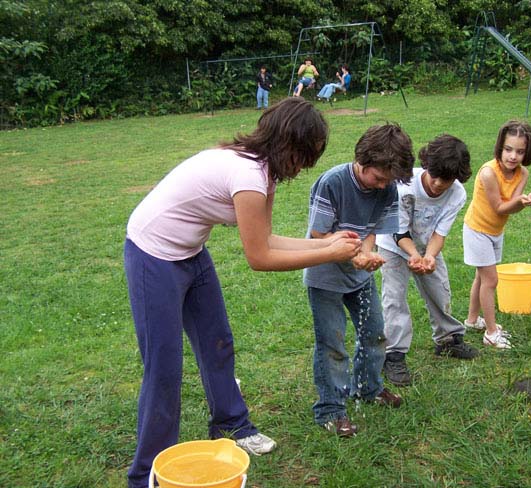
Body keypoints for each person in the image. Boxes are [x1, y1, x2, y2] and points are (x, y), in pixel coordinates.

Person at [124, 97, 362, 488]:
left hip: (190, 252)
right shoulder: (249, 175)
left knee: (217, 343)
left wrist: (329, 244)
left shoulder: (262, 171)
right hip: (153, 254)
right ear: (290, 145)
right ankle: (145, 474)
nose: (305, 168)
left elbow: (267, 238)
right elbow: (260, 257)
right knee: (164, 368)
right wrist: (328, 252)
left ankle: (232, 424)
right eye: (306, 155)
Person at [303, 124, 415, 437]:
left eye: (388, 181)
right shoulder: (333, 182)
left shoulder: (387, 188)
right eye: (378, 178)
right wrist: (356, 257)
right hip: (325, 276)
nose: (383, 186)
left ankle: (367, 388)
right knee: (332, 344)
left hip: (359, 277)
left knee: (375, 334)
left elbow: (372, 231)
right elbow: (319, 235)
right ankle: (330, 409)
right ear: (362, 162)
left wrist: (366, 254)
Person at [377, 135, 479, 387]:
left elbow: (439, 234)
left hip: (426, 245)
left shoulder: (456, 194)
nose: (437, 183)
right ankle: (394, 354)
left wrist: (429, 257)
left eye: (446, 180)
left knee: (439, 291)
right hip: (393, 245)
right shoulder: (404, 186)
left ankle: (448, 340)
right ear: (426, 166)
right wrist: (414, 256)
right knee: (394, 299)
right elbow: (399, 232)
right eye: (434, 175)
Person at [462, 120, 531, 349]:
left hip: (496, 230)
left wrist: (526, 201)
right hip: (477, 229)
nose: (513, 156)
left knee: (481, 276)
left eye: (520, 151)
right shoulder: (488, 173)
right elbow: (499, 207)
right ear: (500, 147)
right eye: (508, 149)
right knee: (490, 279)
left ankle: (472, 319)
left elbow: (512, 206)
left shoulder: (522, 173)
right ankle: (491, 332)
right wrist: (520, 203)